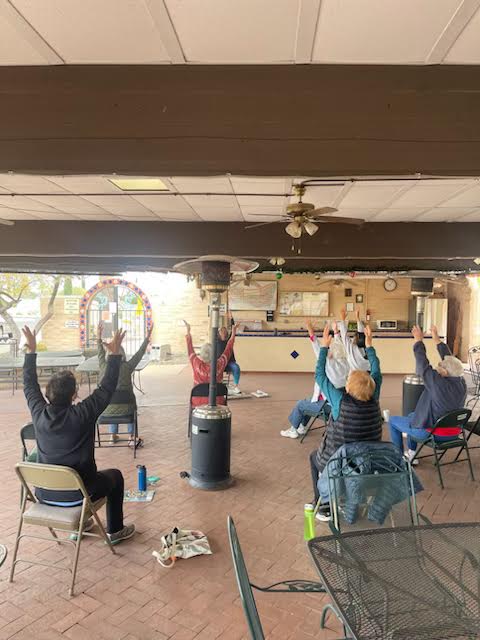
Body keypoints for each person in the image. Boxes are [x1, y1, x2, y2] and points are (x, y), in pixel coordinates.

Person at [22, 325, 135, 545]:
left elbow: (28, 384)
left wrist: (31, 351)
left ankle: (82, 525)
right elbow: (107, 388)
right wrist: (114, 355)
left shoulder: (38, 413)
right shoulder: (82, 414)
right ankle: (115, 531)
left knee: (83, 479)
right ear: (74, 395)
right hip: (80, 497)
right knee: (116, 476)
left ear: (47, 393)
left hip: (44, 495)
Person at [311, 323, 383, 520]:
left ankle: (323, 503)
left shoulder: (340, 401)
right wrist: (369, 346)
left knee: (313, 458)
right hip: (368, 462)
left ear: (348, 388)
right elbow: (376, 371)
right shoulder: (374, 397)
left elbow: (320, 375)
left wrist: (324, 347)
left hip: (338, 463)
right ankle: (345, 497)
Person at [388, 325, 467, 462]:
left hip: (433, 433)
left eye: (440, 366)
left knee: (393, 421)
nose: (438, 366)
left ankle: (398, 460)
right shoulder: (461, 382)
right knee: (412, 415)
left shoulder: (438, 383)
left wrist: (418, 341)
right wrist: (436, 339)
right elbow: (450, 361)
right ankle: (412, 453)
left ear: (445, 372)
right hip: (454, 432)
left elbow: (422, 365)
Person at [280, 320, 348, 439]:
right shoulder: (346, 364)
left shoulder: (327, 364)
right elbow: (339, 345)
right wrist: (336, 332)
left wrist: (310, 328)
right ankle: (302, 426)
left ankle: (293, 430)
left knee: (300, 404)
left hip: (326, 407)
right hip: (339, 405)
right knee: (309, 400)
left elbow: (316, 345)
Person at [98, 322, 153, 446]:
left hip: (106, 410)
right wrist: (147, 337)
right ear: (122, 355)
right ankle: (131, 436)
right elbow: (139, 353)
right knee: (130, 403)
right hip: (127, 408)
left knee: (111, 400)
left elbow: (100, 353)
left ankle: (112, 435)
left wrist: (98, 338)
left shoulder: (103, 366)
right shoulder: (128, 367)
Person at [184, 319, 237, 407]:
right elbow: (229, 348)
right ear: (214, 354)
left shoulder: (196, 363)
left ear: (201, 354)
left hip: (198, 402)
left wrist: (188, 331)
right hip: (217, 401)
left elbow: (190, 350)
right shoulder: (220, 364)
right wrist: (233, 332)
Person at [217, 314, 241, 394]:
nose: (223, 333)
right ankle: (217, 386)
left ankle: (236, 386)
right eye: (221, 331)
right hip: (219, 363)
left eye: (224, 331)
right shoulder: (216, 340)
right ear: (219, 333)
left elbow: (233, 329)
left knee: (236, 368)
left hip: (230, 363)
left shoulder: (229, 340)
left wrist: (231, 318)